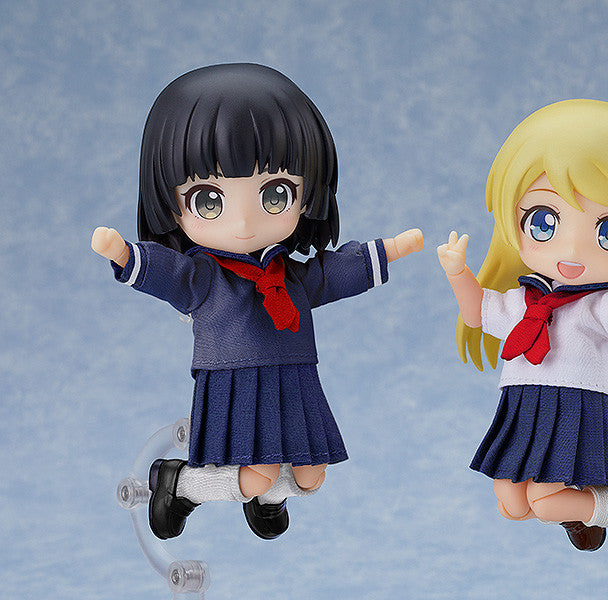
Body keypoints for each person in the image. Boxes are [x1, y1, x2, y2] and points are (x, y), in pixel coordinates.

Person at [92, 63, 423, 540]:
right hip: (236, 379)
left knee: (310, 474)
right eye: (209, 200)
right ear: (170, 204)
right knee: (258, 472)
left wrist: (388, 250)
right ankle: (182, 483)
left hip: (293, 375)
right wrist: (126, 255)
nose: (245, 222)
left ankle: (266, 501)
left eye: (275, 194)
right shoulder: (205, 277)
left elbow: (331, 274)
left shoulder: (288, 274)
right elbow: (169, 275)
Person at [437, 99, 608, 556]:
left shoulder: (602, 304)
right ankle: (583, 510)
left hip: (575, 404)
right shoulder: (524, 300)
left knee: (544, 500)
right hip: (523, 403)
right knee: (512, 503)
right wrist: (458, 274)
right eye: (544, 222)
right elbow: (479, 313)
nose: (571, 250)